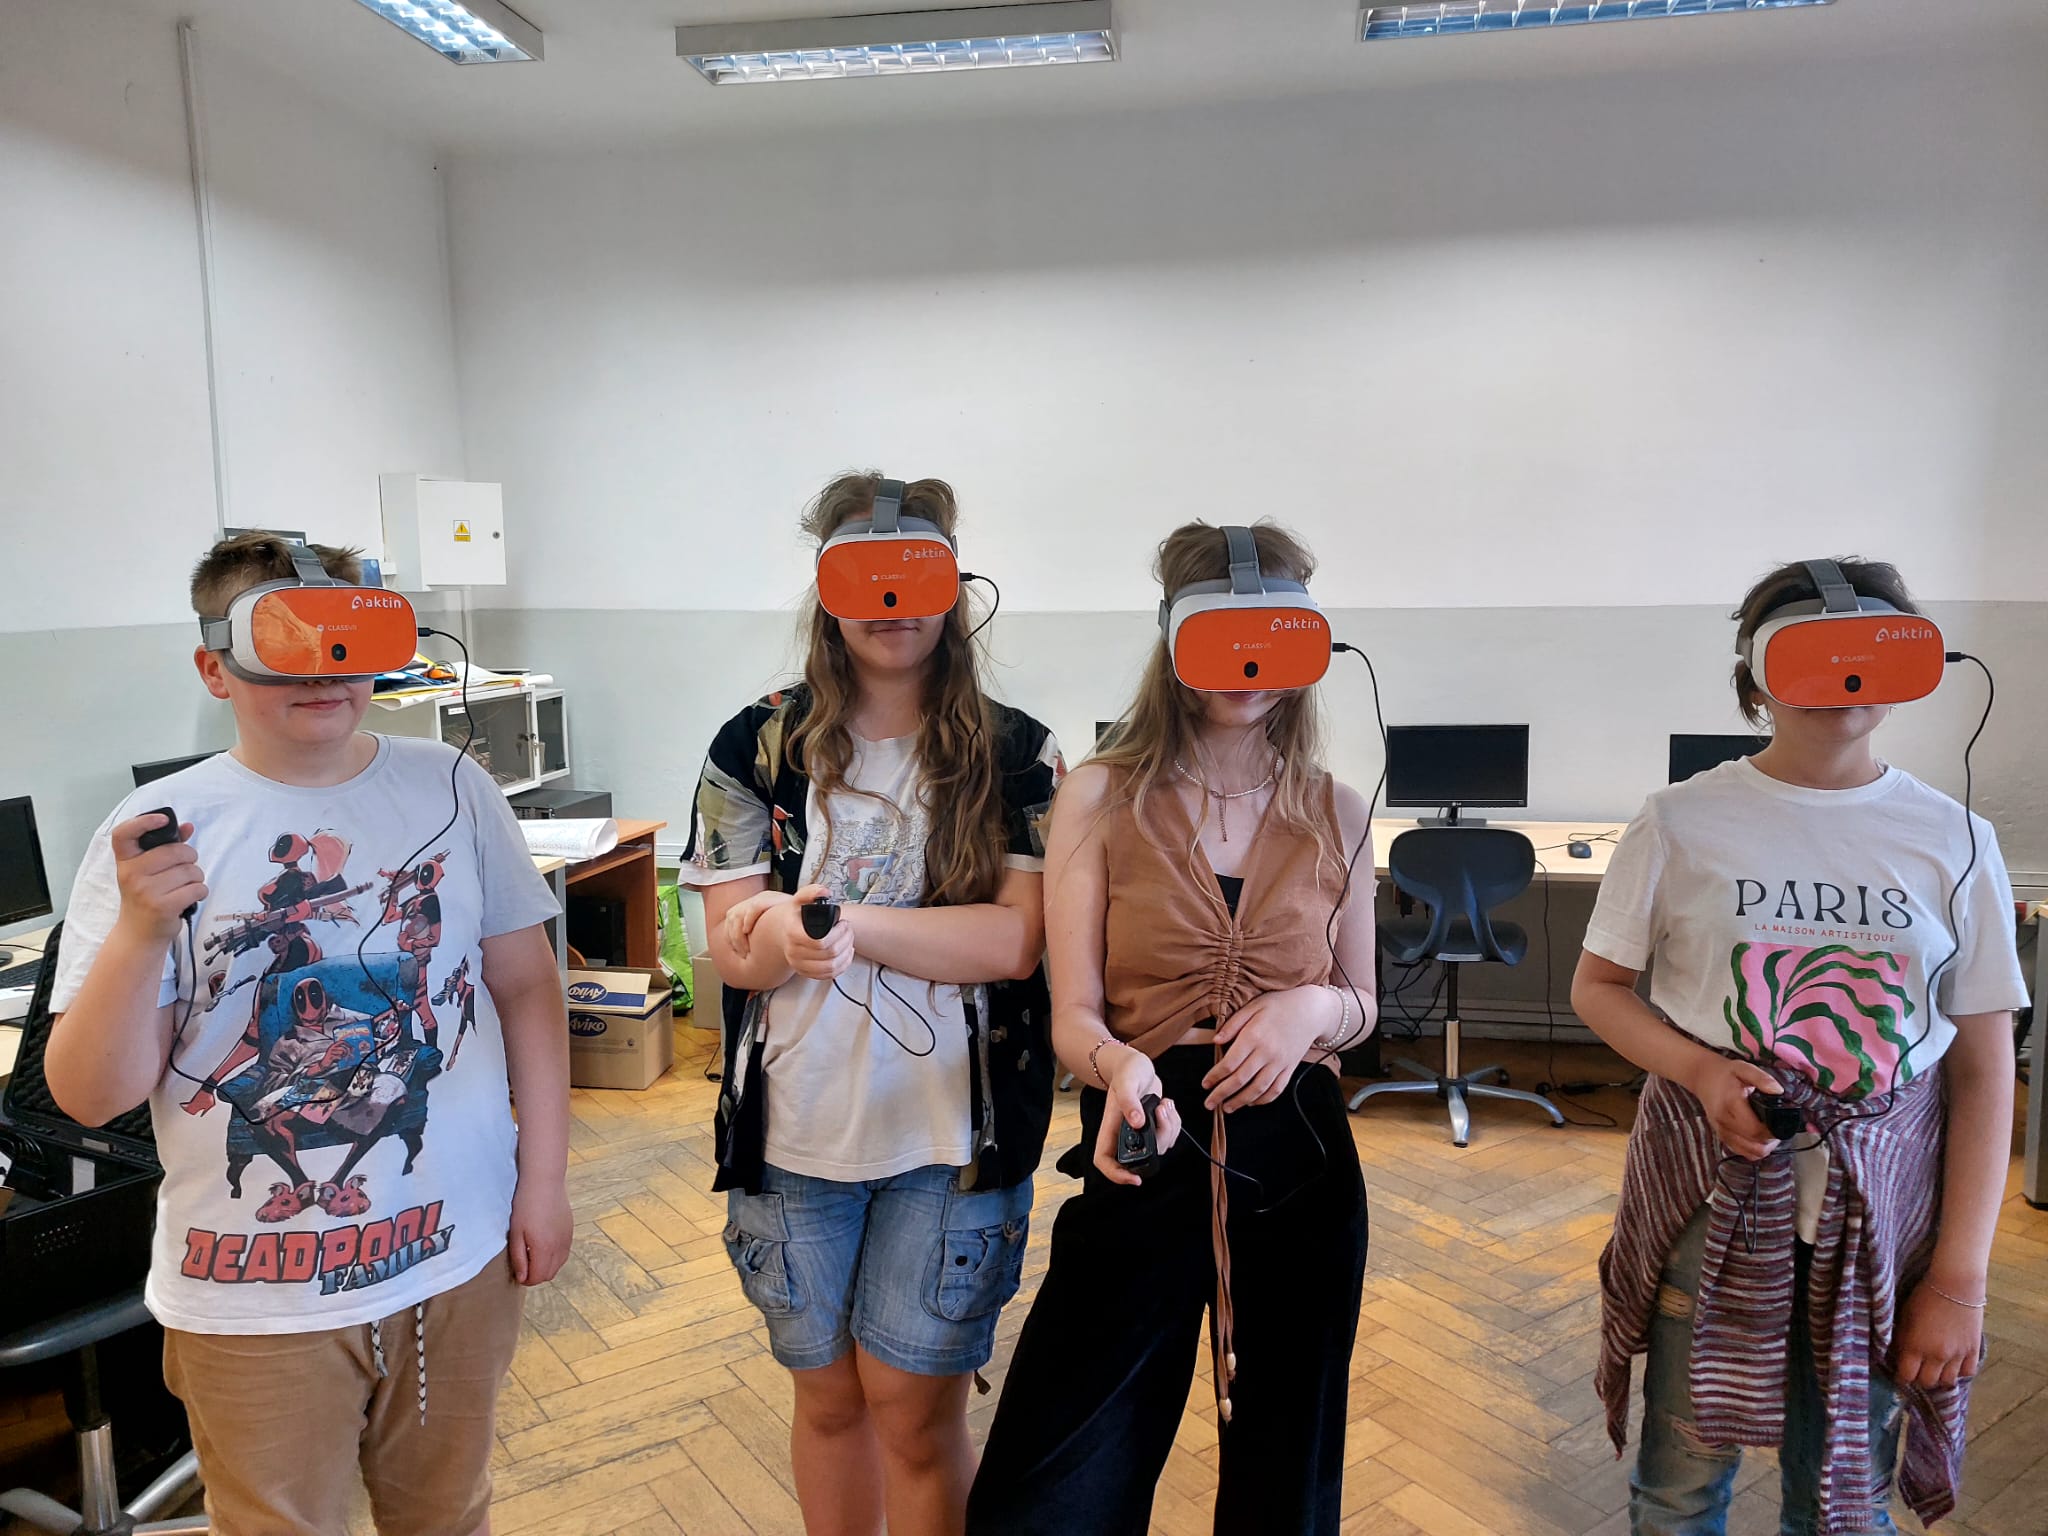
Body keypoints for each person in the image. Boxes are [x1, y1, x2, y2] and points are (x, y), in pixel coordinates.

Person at [46, 532, 572, 1536]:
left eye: (346, 642)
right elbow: (90, 1094)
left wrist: (542, 1181)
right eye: (282, 644)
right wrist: (142, 931)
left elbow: (527, 989)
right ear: (215, 667)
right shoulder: (163, 824)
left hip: (453, 1262)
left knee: (449, 1514)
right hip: (253, 1297)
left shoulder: (452, 786)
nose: (323, 672)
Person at [1572, 558, 2028, 1536]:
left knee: (1840, 1500)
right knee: (1677, 1488)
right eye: (1811, 653)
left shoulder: (1954, 838)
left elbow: (1984, 1065)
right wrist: (1700, 1070)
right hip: (1710, 1202)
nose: (1843, 678)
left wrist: (1959, 1279)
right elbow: (1597, 989)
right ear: (1754, 677)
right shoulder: (1679, 820)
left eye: (1869, 649)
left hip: (1881, 1221)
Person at [967, 520, 1376, 1536]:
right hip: (1144, 1135)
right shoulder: (1101, 796)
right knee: (1055, 1481)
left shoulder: (1335, 808)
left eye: (1271, 638)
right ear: (1174, 639)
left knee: (1286, 1476)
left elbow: (1362, 1004)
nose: (1247, 667)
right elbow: (1073, 1013)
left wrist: (1308, 1010)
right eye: (1221, 637)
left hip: (1300, 1154)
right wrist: (1119, 1068)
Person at [681, 472, 1062, 1536]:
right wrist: (775, 939)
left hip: (951, 1133)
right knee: (830, 1399)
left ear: (954, 586)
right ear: (825, 591)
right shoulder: (753, 747)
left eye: (915, 576)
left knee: (914, 1410)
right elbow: (730, 952)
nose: (891, 605)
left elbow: (1013, 942)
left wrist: (841, 923)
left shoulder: (1017, 753)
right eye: (864, 579)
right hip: (793, 1128)